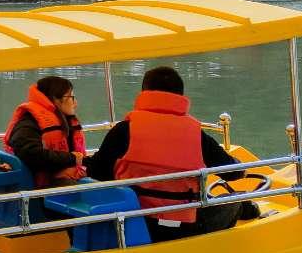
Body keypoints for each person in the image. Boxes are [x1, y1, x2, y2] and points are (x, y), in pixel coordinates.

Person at [86, 65, 247, 242]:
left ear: (144, 93)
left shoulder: (123, 130)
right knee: (235, 201)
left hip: (131, 226)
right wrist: (240, 166)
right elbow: (233, 172)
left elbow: (96, 172)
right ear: (181, 95)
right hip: (183, 229)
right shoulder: (196, 135)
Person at [3, 76, 87, 189]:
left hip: (65, 176)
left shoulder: (64, 120)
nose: (75, 103)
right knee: (92, 191)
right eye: (71, 97)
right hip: (42, 187)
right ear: (55, 99)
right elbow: (30, 154)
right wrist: (71, 158)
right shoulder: (29, 122)